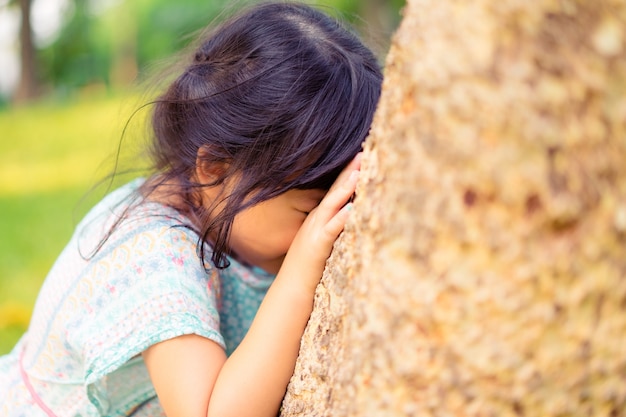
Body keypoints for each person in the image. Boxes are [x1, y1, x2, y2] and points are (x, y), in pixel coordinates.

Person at [0, 2, 382, 416]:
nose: (326, 231)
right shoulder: (155, 257)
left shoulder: (221, 212)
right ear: (214, 168)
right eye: (310, 214)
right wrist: (301, 268)